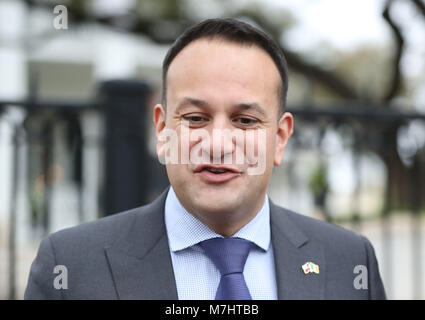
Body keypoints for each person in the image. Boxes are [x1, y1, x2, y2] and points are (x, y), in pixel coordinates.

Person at [25, 18, 386, 300]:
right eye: (195, 118)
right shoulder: (71, 266)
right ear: (163, 130)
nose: (217, 144)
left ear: (279, 139)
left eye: (245, 121)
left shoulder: (350, 262)